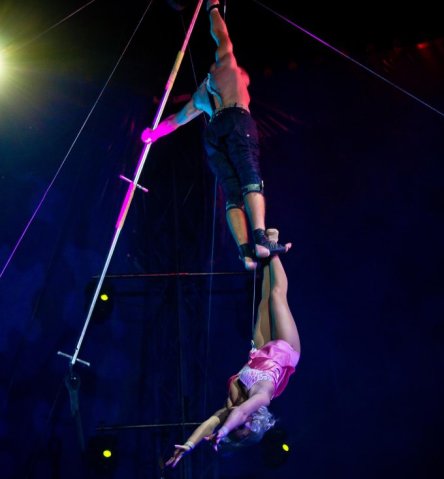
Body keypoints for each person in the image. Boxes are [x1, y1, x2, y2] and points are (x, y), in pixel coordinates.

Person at [141, 0, 291, 270]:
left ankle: (245, 253)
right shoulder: (228, 64)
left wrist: (153, 134)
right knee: (250, 178)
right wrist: (212, 7)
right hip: (236, 121)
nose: (246, 79)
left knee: (232, 194)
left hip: (213, 132)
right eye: (246, 77)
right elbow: (220, 33)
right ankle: (259, 239)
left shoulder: (200, 95)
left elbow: (175, 121)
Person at [164, 229, 301, 468]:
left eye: (237, 428)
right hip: (285, 350)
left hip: (260, 352)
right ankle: (274, 246)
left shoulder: (231, 406)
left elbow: (211, 421)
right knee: (277, 296)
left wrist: (189, 445)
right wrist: (225, 431)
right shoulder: (261, 399)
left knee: (265, 299)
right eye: (244, 427)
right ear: (252, 425)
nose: (241, 422)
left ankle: (268, 248)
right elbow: (238, 415)